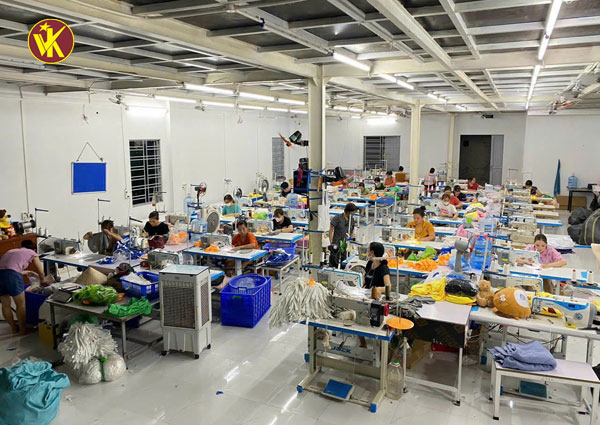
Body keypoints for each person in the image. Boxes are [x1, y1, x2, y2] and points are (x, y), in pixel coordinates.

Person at [0, 240, 49, 335]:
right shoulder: (32, 253)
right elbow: (41, 271)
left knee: (5, 305)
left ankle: (14, 328)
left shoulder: (11, 251)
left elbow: (8, 269)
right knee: (21, 304)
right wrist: (43, 280)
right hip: (13, 276)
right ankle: (22, 330)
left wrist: (26, 272)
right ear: (34, 249)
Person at [329, 203, 358, 267]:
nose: (353, 214)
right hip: (336, 242)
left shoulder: (352, 220)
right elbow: (331, 230)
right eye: (353, 212)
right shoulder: (337, 218)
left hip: (346, 243)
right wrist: (330, 242)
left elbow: (352, 231)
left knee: (345, 260)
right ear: (348, 211)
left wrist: (351, 243)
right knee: (334, 260)